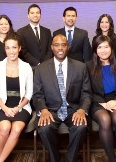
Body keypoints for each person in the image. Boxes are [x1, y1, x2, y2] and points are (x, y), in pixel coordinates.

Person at [32, 34, 92, 162]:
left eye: (63, 45)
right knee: (44, 129)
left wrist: (82, 110)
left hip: (73, 110)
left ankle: (70, 159)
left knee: (81, 127)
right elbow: (37, 95)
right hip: (50, 110)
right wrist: (43, 109)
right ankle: (55, 159)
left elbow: (86, 93)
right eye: (57, 45)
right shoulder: (40, 69)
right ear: (52, 47)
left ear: (68, 47)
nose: (60, 48)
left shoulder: (80, 67)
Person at [86, 35, 116, 162]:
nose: (103, 50)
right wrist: (103, 104)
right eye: (99, 47)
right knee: (105, 120)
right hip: (97, 100)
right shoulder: (88, 66)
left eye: (106, 46)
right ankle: (112, 159)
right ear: (95, 49)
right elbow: (87, 91)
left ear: (111, 48)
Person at [0, 33, 33, 162]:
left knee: (16, 129)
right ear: (5, 49)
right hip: (1, 105)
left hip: (21, 106)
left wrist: (18, 107)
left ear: (19, 48)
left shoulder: (26, 67)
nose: (11, 51)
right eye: (8, 48)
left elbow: (29, 93)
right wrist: (5, 108)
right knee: (4, 128)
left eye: (14, 47)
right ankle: (1, 158)